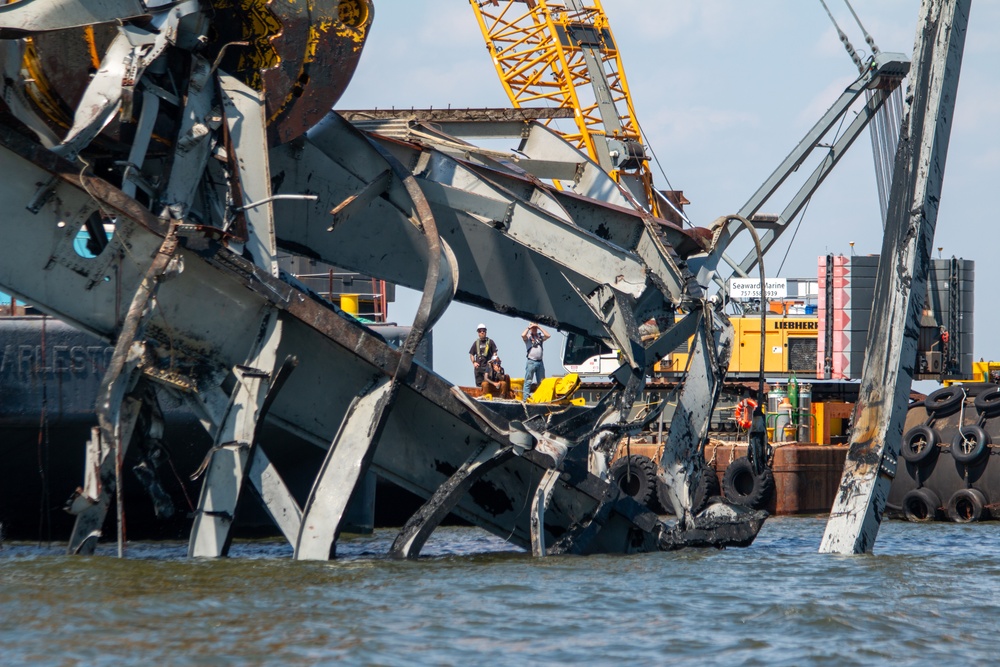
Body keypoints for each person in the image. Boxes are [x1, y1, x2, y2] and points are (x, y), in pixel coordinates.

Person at [521, 322, 550, 401]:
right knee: (528, 381)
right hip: (531, 362)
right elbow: (522, 335)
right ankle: (525, 399)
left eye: (535, 328)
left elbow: (548, 336)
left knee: (541, 382)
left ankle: (541, 398)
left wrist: (539, 327)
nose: (534, 329)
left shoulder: (539, 337)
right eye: (533, 328)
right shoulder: (528, 338)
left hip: (540, 362)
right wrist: (529, 327)